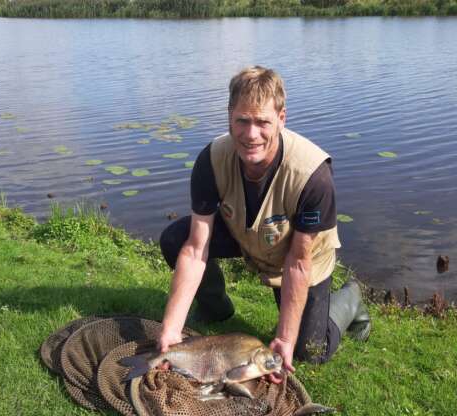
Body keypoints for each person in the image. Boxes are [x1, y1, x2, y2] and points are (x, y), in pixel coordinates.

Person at [157, 66, 370, 380]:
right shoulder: (210, 160)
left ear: (281, 119)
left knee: (310, 350)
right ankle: (216, 308)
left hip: (300, 257)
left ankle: (350, 299)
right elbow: (195, 249)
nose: (251, 134)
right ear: (230, 116)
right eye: (242, 120)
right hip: (246, 234)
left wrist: (285, 339)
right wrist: (171, 329)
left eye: (262, 122)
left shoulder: (313, 176)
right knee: (177, 239)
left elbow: (298, 263)